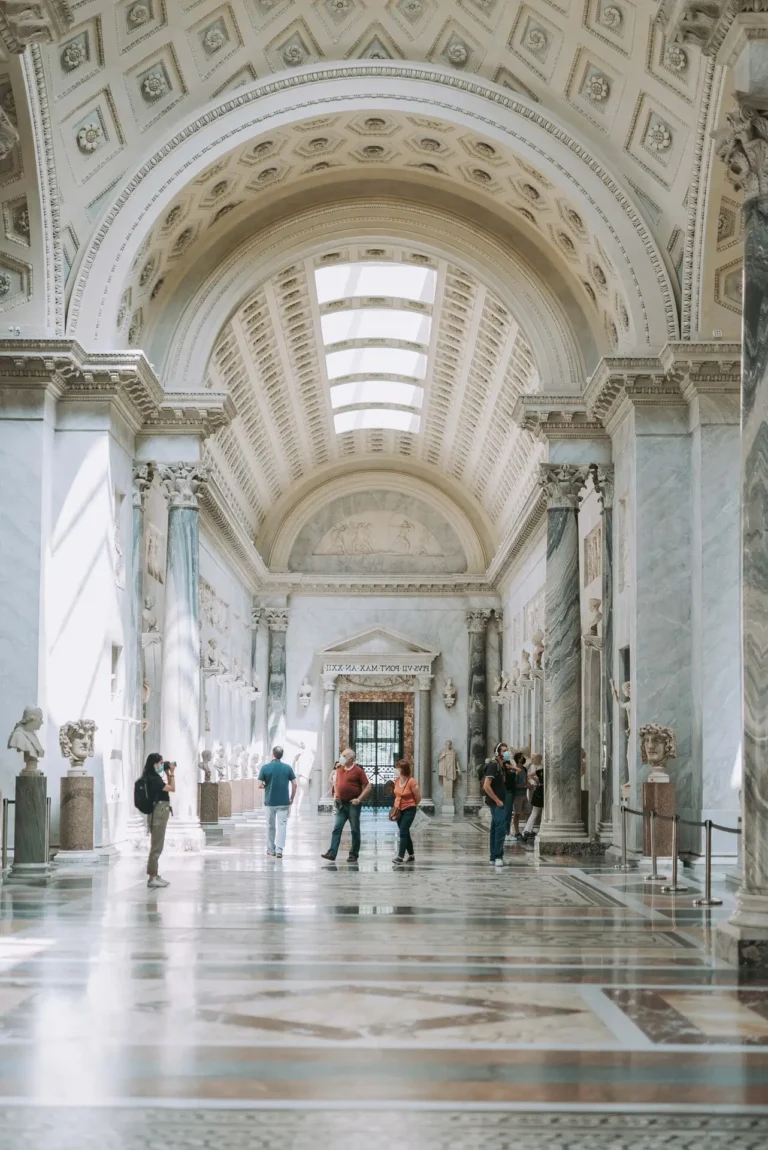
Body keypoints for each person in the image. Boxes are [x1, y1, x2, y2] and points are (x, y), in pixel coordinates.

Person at [321, 748, 371, 862]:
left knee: (354, 829)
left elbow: (368, 786)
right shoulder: (339, 769)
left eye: (344, 755)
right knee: (337, 828)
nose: (341, 757)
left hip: (353, 804)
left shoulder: (358, 771)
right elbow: (337, 783)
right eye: (341, 755)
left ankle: (353, 854)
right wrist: (337, 796)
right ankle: (332, 853)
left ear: (351, 759)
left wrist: (359, 799)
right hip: (341, 804)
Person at [258, 745, 297, 859]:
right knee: (282, 825)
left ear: (273, 754)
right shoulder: (288, 768)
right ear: (281, 755)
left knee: (270, 825)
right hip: (284, 802)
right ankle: (280, 850)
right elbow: (294, 784)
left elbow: (260, 785)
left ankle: (271, 849)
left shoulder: (265, 768)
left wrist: (267, 786)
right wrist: (292, 798)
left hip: (270, 801)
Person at [142, 752, 175, 889]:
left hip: (160, 811)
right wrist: (171, 773)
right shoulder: (153, 778)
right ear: (154, 764)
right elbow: (172, 788)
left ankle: (154, 874)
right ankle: (152, 877)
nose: (163, 765)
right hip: (158, 813)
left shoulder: (153, 777)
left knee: (157, 846)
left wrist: (167, 773)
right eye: (161, 763)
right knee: (156, 847)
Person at [391, 759, 421, 864]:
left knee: (403, 831)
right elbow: (396, 794)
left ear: (403, 769)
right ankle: (411, 855)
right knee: (405, 832)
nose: (396, 769)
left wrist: (412, 805)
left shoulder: (411, 781)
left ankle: (400, 856)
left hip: (409, 809)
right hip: (398, 809)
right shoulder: (397, 780)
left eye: (397, 767)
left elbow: (418, 797)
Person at [482, 744, 507, 867]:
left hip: (500, 801)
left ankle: (493, 856)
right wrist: (497, 800)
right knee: (500, 829)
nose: (507, 753)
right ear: (497, 752)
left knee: (495, 828)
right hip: (497, 803)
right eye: (504, 751)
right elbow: (486, 786)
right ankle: (498, 856)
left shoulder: (501, 766)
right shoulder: (493, 765)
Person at [523, 755, 544, 848]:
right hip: (542, 791)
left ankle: (526, 830)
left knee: (535, 813)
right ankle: (527, 830)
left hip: (539, 790)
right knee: (537, 812)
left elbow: (529, 775)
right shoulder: (543, 770)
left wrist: (538, 781)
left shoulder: (540, 770)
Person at [511, 751, 531, 840]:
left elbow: (526, 780)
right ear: (518, 759)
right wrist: (524, 785)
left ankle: (527, 830)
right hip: (517, 796)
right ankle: (516, 832)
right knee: (517, 814)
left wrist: (529, 785)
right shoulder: (514, 770)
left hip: (524, 794)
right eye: (522, 757)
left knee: (528, 812)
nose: (523, 758)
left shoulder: (524, 769)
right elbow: (513, 784)